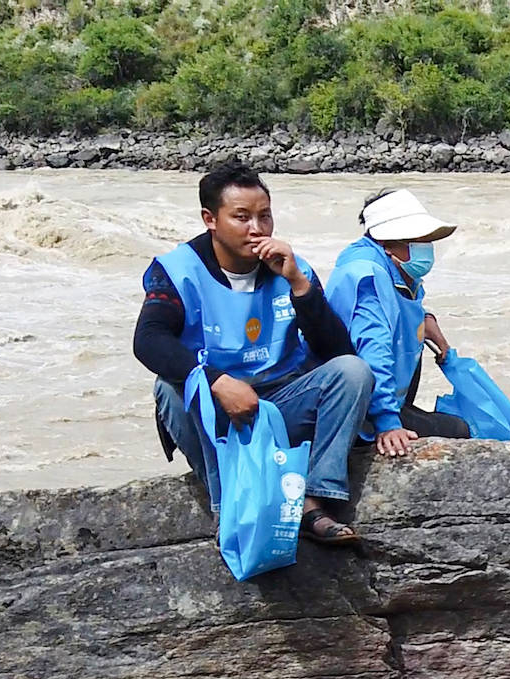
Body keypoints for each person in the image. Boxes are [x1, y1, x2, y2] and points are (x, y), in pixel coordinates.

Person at [133, 162, 372, 547]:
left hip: (281, 404)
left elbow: (336, 351)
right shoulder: (176, 271)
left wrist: (298, 284)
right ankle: (228, 501)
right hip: (216, 410)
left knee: (352, 371)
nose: (257, 229)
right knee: (169, 389)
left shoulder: (291, 268)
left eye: (264, 216)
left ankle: (313, 496)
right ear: (211, 219)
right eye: (241, 218)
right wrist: (216, 382)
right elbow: (148, 340)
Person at [328, 188, 473, 459]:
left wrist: (426, 321)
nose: (426, 247)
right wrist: (388, 424)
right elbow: (373, 349)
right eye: (417, 240)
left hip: (374, 402)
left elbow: (398, 311)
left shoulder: (388, 266)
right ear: (388, 242)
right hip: (362, 414)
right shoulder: (368, 276)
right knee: (460, 429)